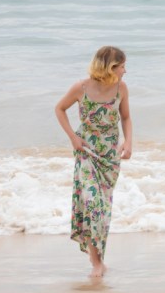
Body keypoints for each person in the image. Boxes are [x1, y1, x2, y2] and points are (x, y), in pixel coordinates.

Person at [55, 46, 133, 279]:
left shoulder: (121, 88)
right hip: (86, 152)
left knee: (102, 210)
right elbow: (59, 109)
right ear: (110, 67)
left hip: (109, 157)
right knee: (91, 204)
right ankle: (97, 262)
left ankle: (97, 257)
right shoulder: (81, 87)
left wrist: (128, 142)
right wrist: (73, 137)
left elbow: (126, 117)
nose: (125, 71)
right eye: (122, 66)